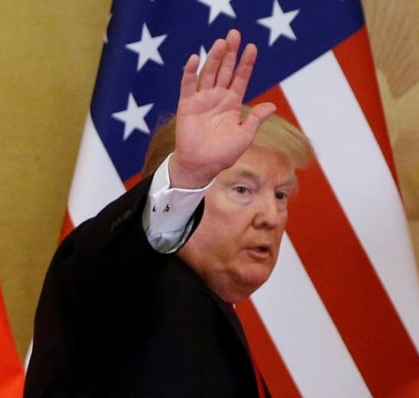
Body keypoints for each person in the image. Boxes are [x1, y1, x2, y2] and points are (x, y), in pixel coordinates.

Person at [25, 29, 313, 397]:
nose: (270, 216)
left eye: (281, 194)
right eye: (243, 190)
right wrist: (188, 176)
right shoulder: (124, 289)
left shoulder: (210, 310)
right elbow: (107, 264)